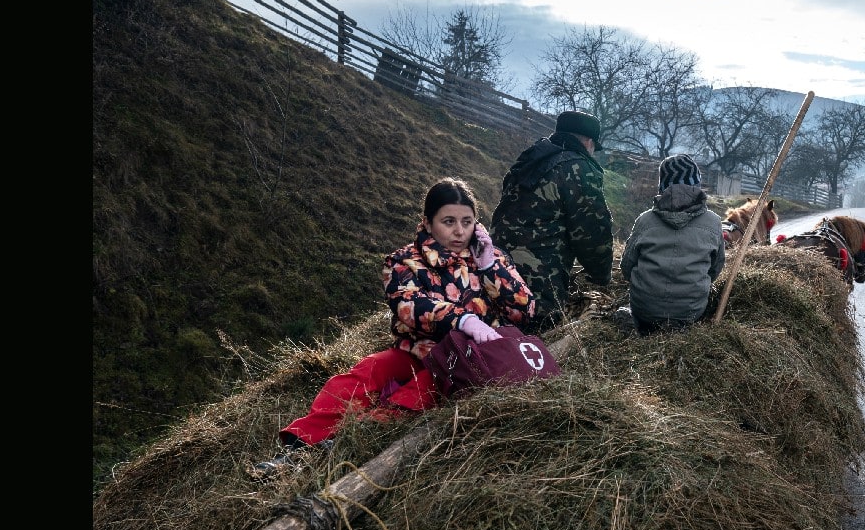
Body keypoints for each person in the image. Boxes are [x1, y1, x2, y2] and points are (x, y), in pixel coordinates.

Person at [258, 178, 536, 474]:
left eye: (467, 222)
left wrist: (489, 267)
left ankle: (337, 447)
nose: (459, 231)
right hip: (416, 351)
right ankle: (300, 446)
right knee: (366, 373)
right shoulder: (405, 262)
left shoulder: (490, 258)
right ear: (428, 224)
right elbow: (407, 304)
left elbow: (524, 311)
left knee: (418, 394)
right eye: (449, 221)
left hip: (463, 363)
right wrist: (462, 319)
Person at [490, 110, 614, 335]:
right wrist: (601, 274)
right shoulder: (578, 167)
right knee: (539, 334)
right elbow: (592, 231)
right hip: (537, 280)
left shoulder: (532, 157)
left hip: (496, 266)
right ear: (588, 142)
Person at [619, 154, 726, 334]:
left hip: (645, 310)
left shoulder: (644, 221)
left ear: (662, 185)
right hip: (690, 312)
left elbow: (627, 267)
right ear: (697, 184)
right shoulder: (714, 222)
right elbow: (715, 268)